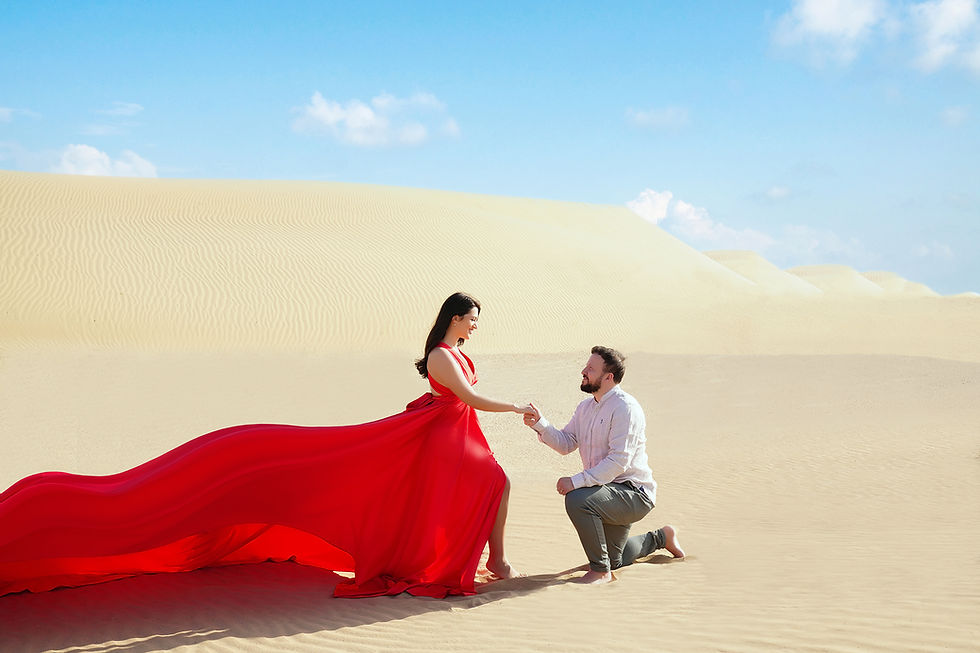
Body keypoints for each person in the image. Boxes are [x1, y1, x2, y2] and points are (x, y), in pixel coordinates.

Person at [0, 292, 530, 599]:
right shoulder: (441, 355)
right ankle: (490, 561)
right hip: (441, 437)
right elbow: (468, 397)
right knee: (490, 481)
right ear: (455, 317)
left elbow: (467, 396)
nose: (477, 325)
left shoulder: (455, 351)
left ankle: (487, 559)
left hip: (451, 434)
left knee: (486, 484)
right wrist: (515, 407)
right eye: (473, 317)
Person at [523, 345, 684, 584]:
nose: (583, 371)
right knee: (616, 558)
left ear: (608, 377)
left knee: (577, 499)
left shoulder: (625, 408)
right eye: (586, 366)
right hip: (607, 493)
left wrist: (575, 482)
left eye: (591, 368)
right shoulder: (585, 407)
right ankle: (661, 538)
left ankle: (600, 572)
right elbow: (567, 443)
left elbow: (618, 462)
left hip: (634, 493)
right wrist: (540, 424)